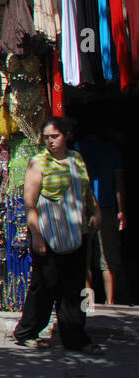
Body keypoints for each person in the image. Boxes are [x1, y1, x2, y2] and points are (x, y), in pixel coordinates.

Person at [13, 117, 102, 351]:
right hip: (48, 234)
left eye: (55, 136)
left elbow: (86, 191)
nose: (50, 141)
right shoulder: (38, 163)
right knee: (44, 286)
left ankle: (75, 337)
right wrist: (37, 236)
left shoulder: (76, 160)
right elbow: (30, 204)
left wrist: (96, 211)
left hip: (76, 233)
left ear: (67, 135)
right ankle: (27, 332)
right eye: (47, 137)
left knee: (75, 288)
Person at [76, 126, 127, 305]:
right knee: (108, 260)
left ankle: (87, 305)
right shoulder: (111, 151)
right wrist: (121, 211)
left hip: (82, 208)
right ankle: (110, 302)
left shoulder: (75, 150)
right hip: (105, 207)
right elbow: (119, 185)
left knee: (84, 258)